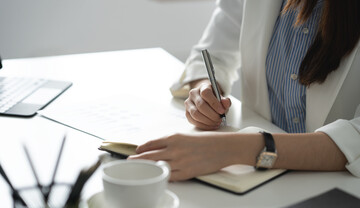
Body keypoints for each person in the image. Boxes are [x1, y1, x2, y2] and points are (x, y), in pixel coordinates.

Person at [129, 0, 360, 181]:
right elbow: (213, 55)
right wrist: (204, 93)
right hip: (265, 180)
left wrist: (235, 149)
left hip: (339, 186)